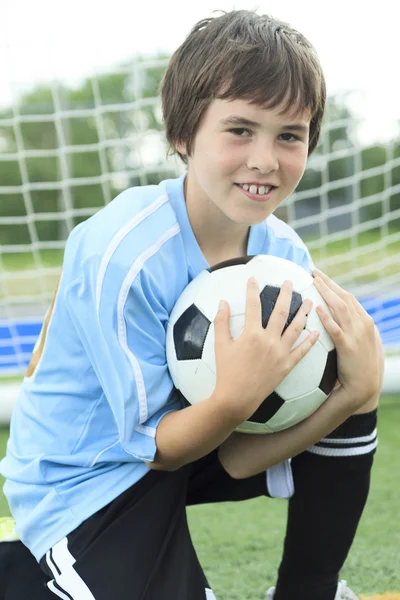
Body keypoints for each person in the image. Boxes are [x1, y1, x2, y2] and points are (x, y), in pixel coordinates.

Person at [0, 10, 383, 600]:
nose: (265, 159)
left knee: (342, 380)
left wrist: (353, 395)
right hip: (92, 478)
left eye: (289, 135)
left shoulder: (283, 252)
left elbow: (227, 457)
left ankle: (310, 590)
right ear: (183, 135)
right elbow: (158, 450)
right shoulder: (124, 251)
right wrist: (234, 395)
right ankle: (29, 567)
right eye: (239, 130)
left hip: (202, 444)